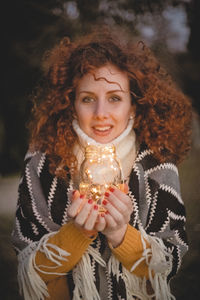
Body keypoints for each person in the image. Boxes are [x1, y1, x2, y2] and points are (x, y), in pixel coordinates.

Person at [11, 26, 192, 300]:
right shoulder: (42, 163)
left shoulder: (157, 164)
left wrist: (121, 234)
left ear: (133, 104)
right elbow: (29, 265)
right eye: (88, 99)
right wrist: (76, 234)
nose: (100, 114)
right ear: (71, 103)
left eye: (115, 98)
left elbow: (170, 261)